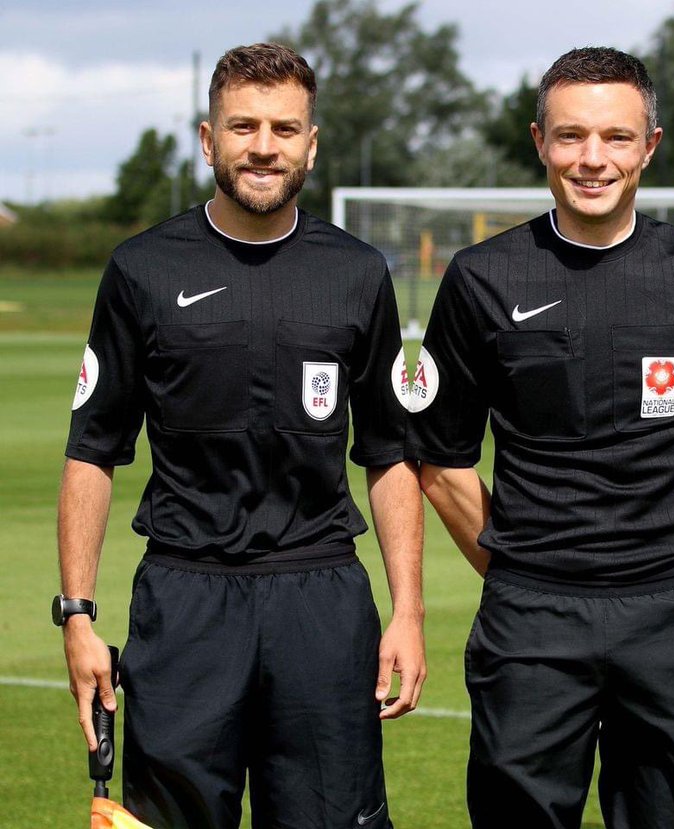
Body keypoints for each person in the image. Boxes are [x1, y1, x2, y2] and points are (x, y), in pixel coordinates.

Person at [56, 43, 423, 829]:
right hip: (184, 599)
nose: (264, 145)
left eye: (285, 128)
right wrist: (78, 614)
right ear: (208, 138)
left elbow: (390, 454)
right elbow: (92, 448)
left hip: (321, 597)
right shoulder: (141, 269)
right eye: (244, 126)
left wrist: (410, 611)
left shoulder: (358, 272)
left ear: (312, 143)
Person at [411, 46, 674, 829]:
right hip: (530, 620)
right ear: (538, 140)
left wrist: (672, 560)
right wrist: (522, 569)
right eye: (572, 136)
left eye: (616, 137)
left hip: (670, 615)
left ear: (650, 145)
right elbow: (442, 465)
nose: (592, 159)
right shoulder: (482, 279)